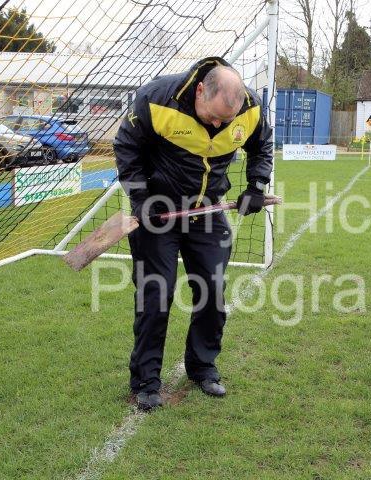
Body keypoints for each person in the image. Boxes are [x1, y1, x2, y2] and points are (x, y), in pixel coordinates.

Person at [114, 57, 273, 411]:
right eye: (213, 117)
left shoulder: (250, 109)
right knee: (156, 294)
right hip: (159, 212)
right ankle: (146, 380)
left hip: (208, 211)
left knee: (212, 290)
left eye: (225, 121)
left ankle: (202, 367)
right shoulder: (156, 98)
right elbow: (126, 146)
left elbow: (261, 145)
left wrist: (256, 186)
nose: (218, 125)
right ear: (200, 91)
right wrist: (140, 197)